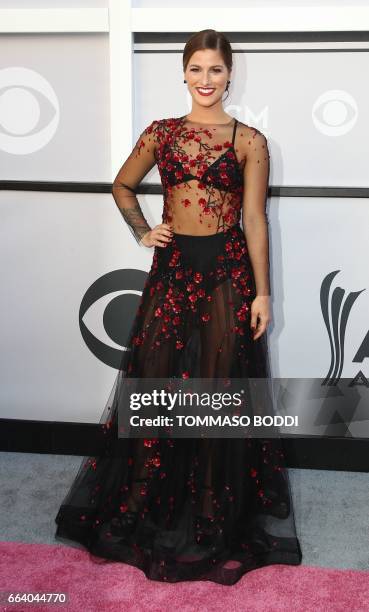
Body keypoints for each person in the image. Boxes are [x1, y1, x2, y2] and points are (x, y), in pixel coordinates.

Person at [55, 29, 302, 586]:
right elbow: (122, 186)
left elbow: (256, 220)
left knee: (219, 390)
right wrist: (144, 230)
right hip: (172, 272)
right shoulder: (162, 134)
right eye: (196, 69)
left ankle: (213, 512)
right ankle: (153, 501)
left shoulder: (248, 140)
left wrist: (264, 292)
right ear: (183, 72)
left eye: (216, 70)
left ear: (230, 74)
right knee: (158, 383)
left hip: (228, 274)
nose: (206, 80)